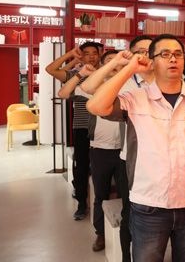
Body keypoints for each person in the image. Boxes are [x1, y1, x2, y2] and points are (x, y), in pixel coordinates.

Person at [87, 34, 185, 262]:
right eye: (165, 54)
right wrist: (130, 68)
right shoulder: (135, 98)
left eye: (178, 54)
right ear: (152, 61)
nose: (173, 59)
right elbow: (96, 106)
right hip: (149, 204)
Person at [80, 35, 154, 262]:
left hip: (160, 162)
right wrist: (117, 63)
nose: (146, 55)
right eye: (140, 51)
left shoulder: (168, 79)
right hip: (130, 159)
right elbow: (88, 87)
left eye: (150, 50)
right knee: (129, 211)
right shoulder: (126, 82)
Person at [58, 49, 123, 253]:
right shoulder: (95, 87)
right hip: (100, 150)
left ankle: (125, 234)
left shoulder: (130, 86)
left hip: (126, 151)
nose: (115, 64)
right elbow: (63, 93)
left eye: (118, 61)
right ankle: (101, 233)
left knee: (127, 196)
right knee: (101, 195)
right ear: (104, 66)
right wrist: (80, 74)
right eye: (110, 61)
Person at [45, 41, 101, 220]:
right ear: (82, 56)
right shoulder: (75, 75)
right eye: (87, 53)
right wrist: (71, 55)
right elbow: (51, 69)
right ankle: (81, 204)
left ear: (100, 55)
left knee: (101, 166)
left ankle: (100, 203)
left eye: (94, 53)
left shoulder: (106, 72)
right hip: (82, 126)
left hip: (103, 127)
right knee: (81, 166)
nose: (91, 56)